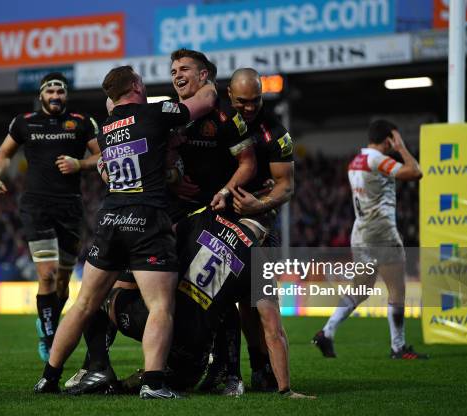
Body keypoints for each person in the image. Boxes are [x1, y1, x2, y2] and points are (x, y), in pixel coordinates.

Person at [33, 66, 217, 399]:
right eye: (142, 82)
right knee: (160, 306)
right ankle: (153, 383)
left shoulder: (104, 128)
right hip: (147, 218)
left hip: (110, 218)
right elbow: (202, 103)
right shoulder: (154, 113)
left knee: (84, 304)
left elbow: (106, 165)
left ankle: (48, 378)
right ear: (135, 85)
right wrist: (206, 81)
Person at [66, 208, 315, 400]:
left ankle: (98, 366)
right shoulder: (259, 264)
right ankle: (226, 375)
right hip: (192, 352)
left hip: (152, 321)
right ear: (265, 236)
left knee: (98, 297)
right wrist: (285, 389)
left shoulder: (206, 219)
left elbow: (161, 245)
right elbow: (274, 332)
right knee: (222, 314)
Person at [0, 72, 99, 362]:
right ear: (41, 96)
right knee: (46, 275)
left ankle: (46, 319)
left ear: (66, 96)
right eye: (50, 92)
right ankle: (49, 336)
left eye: (60, 92)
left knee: (62, 281)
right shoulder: (24, 123)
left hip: (71, 208)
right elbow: (3, 154)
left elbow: (104, 157)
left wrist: (80, 164)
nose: (56, 97)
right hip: (36, 207)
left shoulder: (83, 123)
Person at [203, 68, 296, 393]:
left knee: (260, 302)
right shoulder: (213, 122)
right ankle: (228, 369)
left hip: (259, 226)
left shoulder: (275, 133)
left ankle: (262, 370)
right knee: (229, 302)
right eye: (242, 101)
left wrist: (258, 205)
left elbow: (286, 186)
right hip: (216, 223)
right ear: (229, 94)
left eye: (255, 100)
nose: (249, 107)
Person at [312, 119, 428, 359]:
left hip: (361, 231)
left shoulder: (356, 161)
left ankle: (327, 331)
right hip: (381, 231)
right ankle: (398, 348)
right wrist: (402, 148)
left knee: (361, 289)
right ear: (389, 139)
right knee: (397, 290)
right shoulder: (378, 159)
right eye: (394, 138)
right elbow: (415, 172)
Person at [168, 49, 256, 218]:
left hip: (215, 208)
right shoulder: (164, 112)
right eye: (173, 72)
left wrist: (223, 193)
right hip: (172, 208)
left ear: (203, 75)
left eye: (184, 69)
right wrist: (169, 178)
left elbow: (248, 163)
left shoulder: (227, 115)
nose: (177, 75)